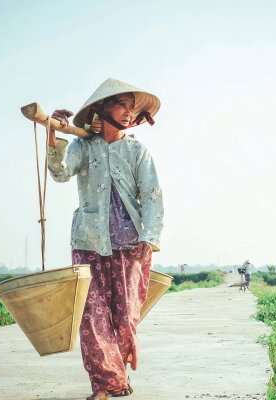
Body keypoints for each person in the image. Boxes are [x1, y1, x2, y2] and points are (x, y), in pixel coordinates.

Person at [47, 78, 164, 400]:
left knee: (125, 316)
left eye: (131, 107)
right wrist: (53, 132)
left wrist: (149, 236)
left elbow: (151, 195)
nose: (128, 113)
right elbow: (59, 173)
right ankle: (104, 385)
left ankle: (119, 376)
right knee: (92, 317)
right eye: (121, 105)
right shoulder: (83, 146)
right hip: (89, 242)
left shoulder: (136, 150)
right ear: (102, 109)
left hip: (131, 244)